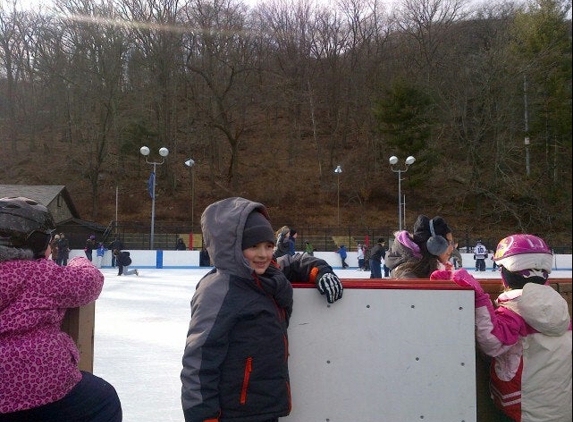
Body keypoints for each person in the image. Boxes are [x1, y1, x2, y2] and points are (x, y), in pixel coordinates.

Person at [181, 197, 343, 422]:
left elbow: (294, 261)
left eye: (268, 246)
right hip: (234, 413)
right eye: (253, 246)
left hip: (266, 406)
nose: (263, 255)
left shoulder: (268, 275)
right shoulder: (218, 290)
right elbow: (199, 361)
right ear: (233, 247)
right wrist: (204, 417)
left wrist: (319, 271)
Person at [0, 196, 122, 421]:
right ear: (36, 244)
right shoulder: (39, 275)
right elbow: (89, 283)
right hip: (37, 386)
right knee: (104, 399)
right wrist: (80, 262)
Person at [431, 234, 571, 421]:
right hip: (560, 406)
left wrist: (481, 298)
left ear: (507, 273)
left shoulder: (516, 309)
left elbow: (492, 343)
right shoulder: (559, 308)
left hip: (522, 408)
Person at [385, 215, 454, 279]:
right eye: (447, 243)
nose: (452, 248)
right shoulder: (408, 275)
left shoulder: (436, 268)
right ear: (433, 245)